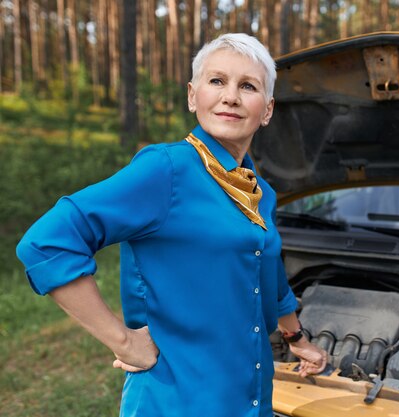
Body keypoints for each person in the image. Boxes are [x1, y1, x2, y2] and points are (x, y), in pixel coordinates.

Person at [16, 33, 328, 417]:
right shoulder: (166, 170)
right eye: (217, 81)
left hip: (249, 397)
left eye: (248, 86)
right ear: (193, 96)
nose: (231, 96)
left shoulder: (259, 190)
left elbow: (269, 273)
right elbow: (47, 242)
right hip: (176, 400)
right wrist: (124, 342)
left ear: (267, 110)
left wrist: (297, 339)